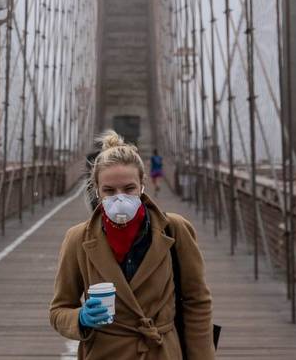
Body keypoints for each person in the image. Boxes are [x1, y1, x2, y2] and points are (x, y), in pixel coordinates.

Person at [50, 132, 214, 359]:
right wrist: (80, 318)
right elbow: (59, 310)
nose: (120, 198)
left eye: (129, 189)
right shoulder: (77, 239)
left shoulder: (175, 230)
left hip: (161, 352)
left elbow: (197, 302)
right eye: (109, 190)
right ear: (96, 190)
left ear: (142, 186)